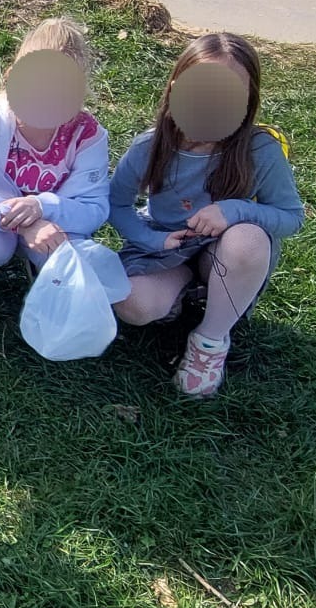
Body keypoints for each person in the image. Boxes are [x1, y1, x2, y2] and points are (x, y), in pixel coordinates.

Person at [109, 33, 304, 398]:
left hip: (223, 251)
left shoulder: (259, 150)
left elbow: (291, 216)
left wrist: (234, 210)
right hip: (166, 246)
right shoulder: (149, 147)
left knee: (247, 240)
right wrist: (153, 239)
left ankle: (210, 341)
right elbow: (115, 204)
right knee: (133, 305)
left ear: (248, 102)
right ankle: (185, 297)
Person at [0, 17, 110, 303]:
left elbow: (94, 209)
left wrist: (43, 207)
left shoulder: (89, 136)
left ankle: (39, 263)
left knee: (87, 277)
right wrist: (23, 223)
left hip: (54, 221)